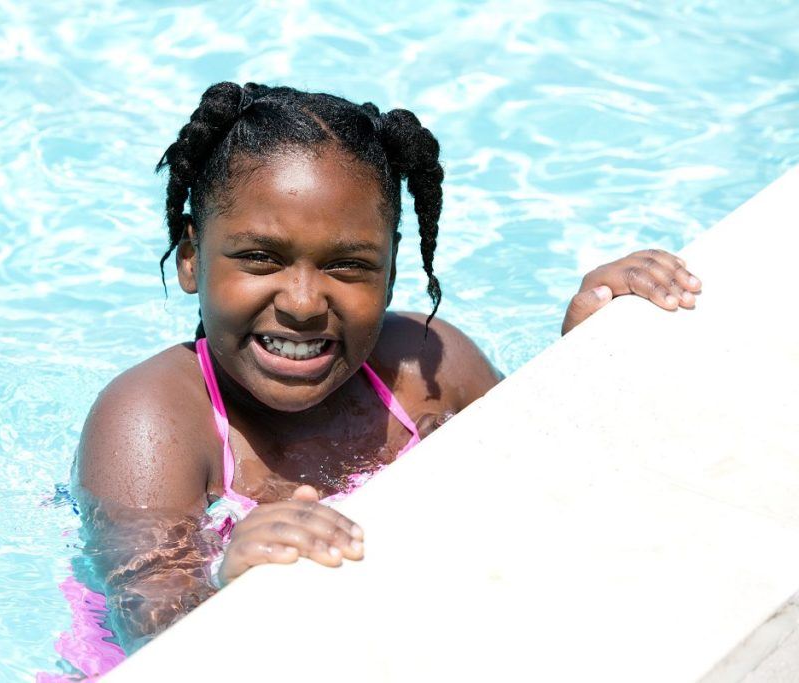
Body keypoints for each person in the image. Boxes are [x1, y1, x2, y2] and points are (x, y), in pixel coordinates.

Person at [67, 81, 702, 663]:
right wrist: (223, 577)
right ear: (190, 259)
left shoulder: (429, 366)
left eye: (348, 265)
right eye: (260, 258)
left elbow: (551, 477)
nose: (303, 301)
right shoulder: (152, 418)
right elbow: (149, 630)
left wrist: (586, 357)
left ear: (392, 270)